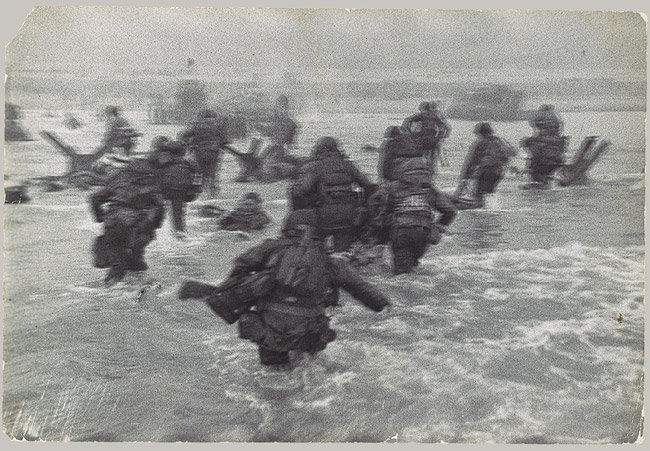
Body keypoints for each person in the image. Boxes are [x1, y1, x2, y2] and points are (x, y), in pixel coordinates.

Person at [226, 208, 391, 368]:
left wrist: (238, 293)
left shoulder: (271, 247)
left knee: (274, 374)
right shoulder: (328, 261)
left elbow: (241, 264)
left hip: (270, 328)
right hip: (309, 330)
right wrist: (382, 304)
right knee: (309, 368)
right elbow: (358, 287)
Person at [366, 158, 457, 275]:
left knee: (402, 275)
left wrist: (381, 221)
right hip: (424, 233)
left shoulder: (391, 187)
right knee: (412, 266)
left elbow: (373, 202)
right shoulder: (430, 190)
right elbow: (450, 210)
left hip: (401, 232)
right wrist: (439, 226)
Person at [290, 136, 377, 253]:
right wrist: (363, 206)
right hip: (349, 219)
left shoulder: (314, 167)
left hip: (323, 219)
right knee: (343, 255)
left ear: (319, 150)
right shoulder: (348, 165)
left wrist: (303, 212)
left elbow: (298, 193)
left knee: (317, 253)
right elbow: (369, 186)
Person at [90, 158, 165, 286]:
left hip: (113, 224)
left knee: (118, 265)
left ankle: (109, 291)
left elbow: (95, 198)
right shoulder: (151, 183)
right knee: (136, 261)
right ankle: (140, 290)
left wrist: (100, 217)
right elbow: (160, 207)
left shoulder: (119, 180)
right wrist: (153, 226)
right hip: (137, 228)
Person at [149, 139, 201, 238]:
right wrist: (195, 190)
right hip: (180, 191)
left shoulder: (160, 160)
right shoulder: (189, 162)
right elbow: (198, 176)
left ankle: (152, 234)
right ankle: (179, 233)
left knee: (154, 211)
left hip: (163, 190)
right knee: (178, 216)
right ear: (183, 151)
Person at [457, 122, 517, 207]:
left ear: (481, 133)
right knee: (489, 193)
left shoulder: (481, 143)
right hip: (500, 172)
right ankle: (489, 210)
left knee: (480, 194)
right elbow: (513, 152)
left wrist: (465, 177)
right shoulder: (502, 141)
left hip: (487, 171)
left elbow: (471, 161)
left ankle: (480, 209)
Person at [179, 109, 229, 197]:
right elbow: (224, 140)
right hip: (214, 152)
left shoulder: (195, 124)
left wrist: (190, 144)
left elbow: (182, 136)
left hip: (200, 151)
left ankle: (202, 191)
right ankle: (212, 192)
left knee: (201, 171)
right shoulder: (217, 125)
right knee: (213, 172)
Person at [255, 95, 301, 182]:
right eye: (281, 107)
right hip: (271, 156)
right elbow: (269, 135)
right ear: (276, 107)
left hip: (278, 156)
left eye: (285, 107)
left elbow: (291, 144)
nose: (283, 110)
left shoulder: (291, 124)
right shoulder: (273, 120)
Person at [522, 104, 568, 188]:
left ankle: (540, 179)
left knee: (531, 150)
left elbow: (534, 123)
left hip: (541, 164)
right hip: (556, 162)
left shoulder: (538, 139)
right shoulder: (556, 116)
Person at [401, 101, 450, 174]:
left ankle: (422, 172)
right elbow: (446, 127)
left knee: (422, 156)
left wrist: (406, 132)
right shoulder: (434, 115)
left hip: (423, 139)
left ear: (423, 108)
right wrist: (441, 136)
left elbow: (407, 120)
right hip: (433, 139)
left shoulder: (421, 115)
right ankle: (431, 172)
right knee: (432, 160)